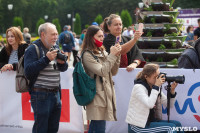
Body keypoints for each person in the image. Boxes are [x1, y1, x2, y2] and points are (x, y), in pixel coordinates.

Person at [24, 22, 68, 133]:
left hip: (56, 94)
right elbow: (28, 71)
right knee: (41, 129)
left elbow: (62, 69)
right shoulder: (33, 48)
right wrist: (46, 59)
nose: (56, 37)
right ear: (43, 35)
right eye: (53, 34)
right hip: (40, 95)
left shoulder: (55, 47)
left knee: (53, 129)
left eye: (56, 34)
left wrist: (62, 63)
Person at [81, 25, 121, 133]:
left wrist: (117, 55)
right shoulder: (87, 54)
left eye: (102, 36)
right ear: (91, 37)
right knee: (98, 127)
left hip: (105, 94)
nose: (102, 38)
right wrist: (112, 55)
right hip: (96, 95)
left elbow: (113, 71)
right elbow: (103, 71)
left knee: (98, 126)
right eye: (99, 36)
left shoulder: (102, 51)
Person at [126, 63, 183, 133]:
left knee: (177, 125)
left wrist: (172, 91)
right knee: (171, 128)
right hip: (138, 126)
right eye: (155, 77)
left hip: (151, 122)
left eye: (158, 76)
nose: (158, 79)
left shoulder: (155, 87)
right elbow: (149, 104)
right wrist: (156, 86)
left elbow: (169, 105)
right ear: (146, 76)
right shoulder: (138, 87)